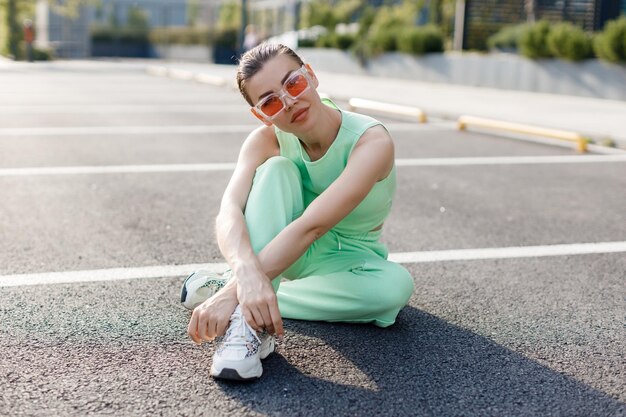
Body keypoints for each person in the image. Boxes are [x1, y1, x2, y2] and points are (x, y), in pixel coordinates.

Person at [182, 43, 414, 381]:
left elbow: (312, 226)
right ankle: (247, 324)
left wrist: (232, 291)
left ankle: (236, 293)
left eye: (293, 83)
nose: (289, 101)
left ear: (312, 76)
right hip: (285, 252)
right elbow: (229, 209)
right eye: (271, 101)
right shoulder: (265, 140)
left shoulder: (371, 141)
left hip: (348, 258)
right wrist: (247, 271)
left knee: (393, 290)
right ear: (262, 114)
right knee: (277, 170)